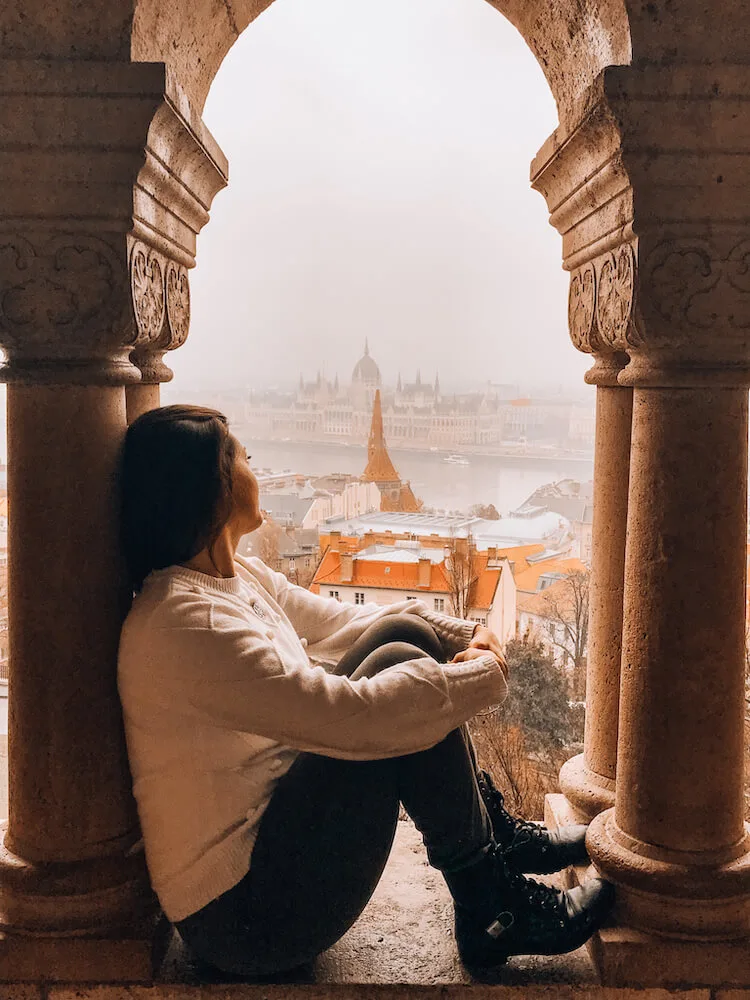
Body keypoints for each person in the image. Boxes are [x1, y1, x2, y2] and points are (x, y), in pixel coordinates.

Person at [117, 404, 613, 980]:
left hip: (273, 847)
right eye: (241, 455)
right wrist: (483, 677)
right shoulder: (186, 624)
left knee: (399, 636)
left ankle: (493, 839)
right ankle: (492, 906)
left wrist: (464, 636)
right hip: (248, 918)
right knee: (399, 683)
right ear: (212, 489)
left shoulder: (230, 578)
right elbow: (355, 717)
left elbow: (341, 625)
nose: (254, 462)